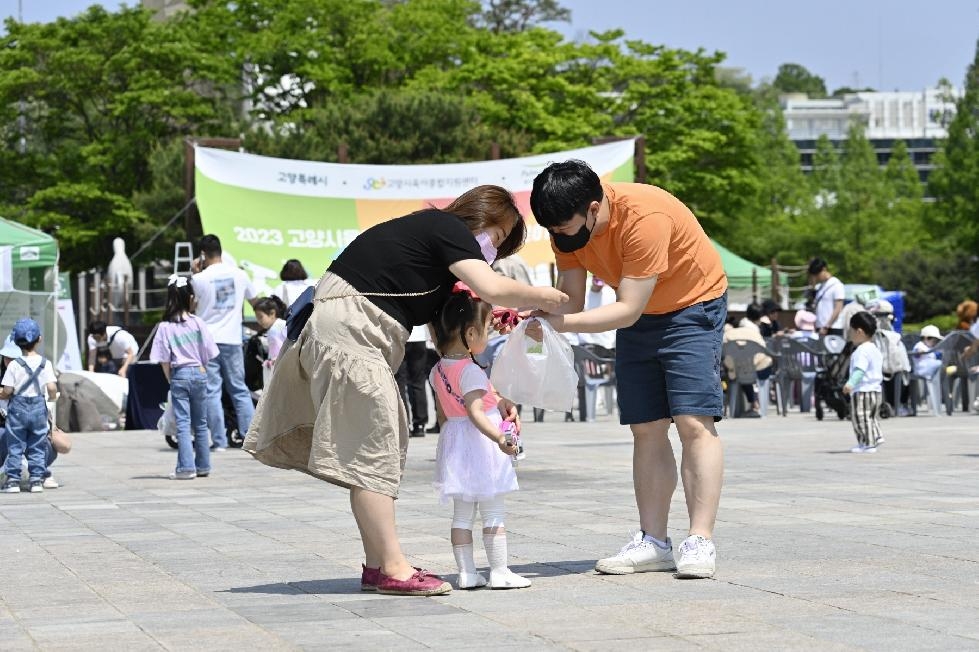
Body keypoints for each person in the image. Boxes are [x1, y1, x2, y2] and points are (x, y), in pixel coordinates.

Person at [244, 185, 568, 597]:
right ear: (479, 215)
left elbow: (455, 325)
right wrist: (546, 296)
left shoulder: (436, 257)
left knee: (377, 441)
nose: (491, 248)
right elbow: (493, 287)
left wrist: (493, 318)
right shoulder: (446, 226)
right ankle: (393, 568)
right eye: (498, 237)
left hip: (353, 333)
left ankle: (379, 565)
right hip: (351, 332)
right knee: (374, 442)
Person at [529, 159, 727, 579]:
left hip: (692, 306)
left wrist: (558, 324)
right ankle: (653, 541)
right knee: (646, 426)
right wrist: (534, 315)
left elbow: (626, 309)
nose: (558, 237)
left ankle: (700, 540)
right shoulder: (563, 230)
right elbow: (573, 301)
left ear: (595, 208)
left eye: (565, 228)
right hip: (638, 316)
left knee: (693, 421)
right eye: (551, 230)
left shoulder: (644, 218)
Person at [429, 284, 531, 590]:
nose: (490, 335)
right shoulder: (471, 370)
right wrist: (498, 438)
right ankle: (499, 571)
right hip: (481, 444)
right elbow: (475, 411)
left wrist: (499, 402)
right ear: (471, 334)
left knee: (462, 515)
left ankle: (466, 573)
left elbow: (450, 412)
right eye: (487, 329)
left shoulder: (438, 369)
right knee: (492, 511)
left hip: (456, 442)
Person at [191, 234, 259, 450]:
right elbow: (255, 301)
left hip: (207, 340)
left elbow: (191, 308)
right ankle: (248, 437)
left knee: (212, 391)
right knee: (239, 388)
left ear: (202, 255)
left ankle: (219, 441)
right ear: (220, 251)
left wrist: (195, 273)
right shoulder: (240, 275)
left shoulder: (199, 279)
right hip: (232, 338)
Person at [150, 275, 219, 480]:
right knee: (200, 422)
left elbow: (163, 359)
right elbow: (209, 352)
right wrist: (201, 368)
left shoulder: (164, 327)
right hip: (199, 372)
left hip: (179, 374)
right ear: (189, 297)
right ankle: (203, 466)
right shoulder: (198, 322)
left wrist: (170, 379)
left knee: (182, 423)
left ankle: (186, 468)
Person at [0, 319, 57, 493]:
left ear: (16, 342)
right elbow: (52, 388)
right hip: (39, 408)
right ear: (39, 339)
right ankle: (37, 481)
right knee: (37, 445)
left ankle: (13, 481)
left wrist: (3, 394)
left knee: (15, 445)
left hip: (18, 409)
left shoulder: (14, 365)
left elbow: (8, 390)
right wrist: (52, 398)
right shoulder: (45, 363)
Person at [842, 311, 883, 453]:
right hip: (876, 390)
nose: (850, 334)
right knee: (871, 416)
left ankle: (868, 443)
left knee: (860, 417)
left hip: (862, 390)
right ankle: (876, 436)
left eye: (851, 331)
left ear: (859, 331)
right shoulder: (875, 348)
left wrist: (850, 383)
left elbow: (860, 370)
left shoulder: (861, 351)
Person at [396, 325, 432, 437]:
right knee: (418, 381)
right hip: (419, 337)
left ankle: (405, 423)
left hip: (400, 336)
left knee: (400, 382)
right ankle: (420, 424)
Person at [807, 258, 845, 337]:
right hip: (820, 328)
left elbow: (838, 308)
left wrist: (827, 326)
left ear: (824, 269)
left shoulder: (836, 285)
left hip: (833, 328)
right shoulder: (820, 287)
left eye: (817, 274)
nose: (816, 277)